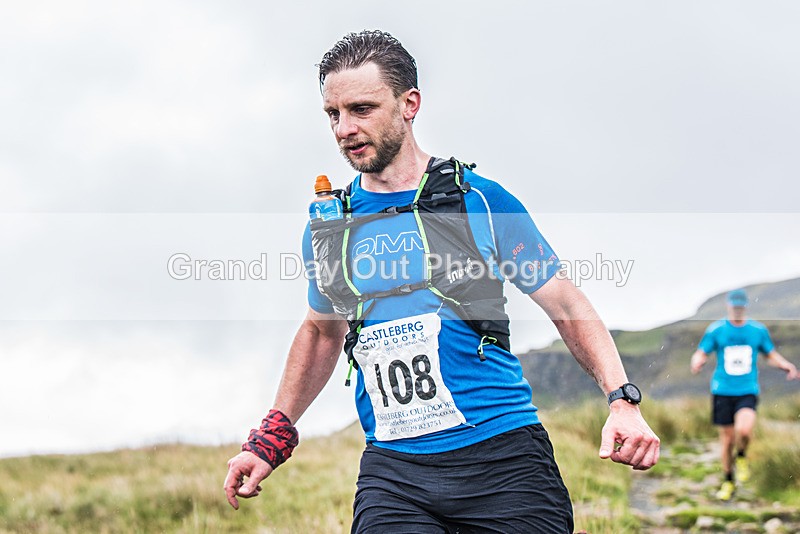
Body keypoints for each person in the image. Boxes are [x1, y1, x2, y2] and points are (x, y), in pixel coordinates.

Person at [224, 30, 660, 533]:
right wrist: (271, 436)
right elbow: (322, 332)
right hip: (395, 473)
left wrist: (621, 401)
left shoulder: (478, 199)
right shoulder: (331, 226)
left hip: (504, 461)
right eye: (333, 114)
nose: (344, 128)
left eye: (362, 109)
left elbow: (563, 300)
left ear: (410, 104)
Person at [690, 288, 798, 501]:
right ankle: (729, 480)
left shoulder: (757, 331)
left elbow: (770, 354)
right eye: (734, 307)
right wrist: (697, 360)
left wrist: (785, 365)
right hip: (722, 391)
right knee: (727, 440)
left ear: (745, 307)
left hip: (747, 390)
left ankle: (741, 456)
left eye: (741, 307)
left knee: (744, 431)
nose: (737, 311)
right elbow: (702, 350)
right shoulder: (716, 330)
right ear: (729, 307)